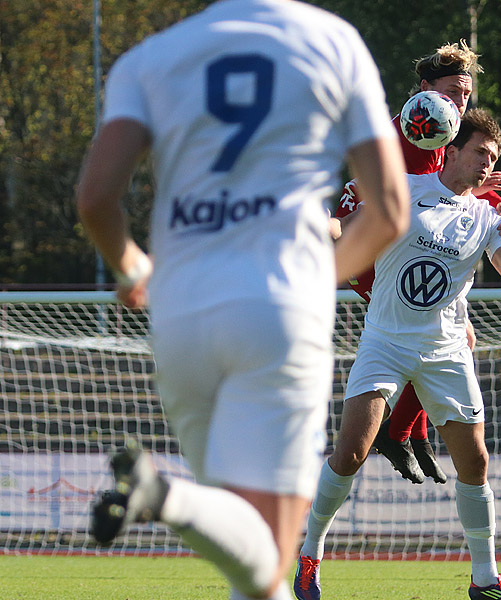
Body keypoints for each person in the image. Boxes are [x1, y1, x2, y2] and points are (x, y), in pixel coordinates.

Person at [75, 2, 409, 600]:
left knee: (245, 556)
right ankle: (162, 494)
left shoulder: (150, 57)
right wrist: (312, 278)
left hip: (180, 312)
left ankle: (167, 497)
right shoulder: (334, 42)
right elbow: (389, 210)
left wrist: (130, 266)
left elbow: (96, 198)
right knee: (268, 549)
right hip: (279, 308)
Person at [293, 109, 501, 600]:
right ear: (453, 148)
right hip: (385, 341)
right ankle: (309, 557)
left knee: (476, 463)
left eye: (493, 158)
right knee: (352, 452)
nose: (487, 165)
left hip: (445, 351)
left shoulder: (489, 217)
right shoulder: (403, 188)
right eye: (480, 153)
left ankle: (485, 578)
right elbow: (348, 228)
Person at [336, 40, 501, 486]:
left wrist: (487, 197)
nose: (460, 102)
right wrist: (482, 195)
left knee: (450, 335)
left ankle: (413, 434)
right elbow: (425, 194)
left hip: (387, 231)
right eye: (453, 91)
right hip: (368, 240)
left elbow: (438, 190)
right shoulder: (424, 125)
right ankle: (396, 432)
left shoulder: (437, 128)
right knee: (447, 333)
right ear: (424, 89)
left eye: (466, 95)